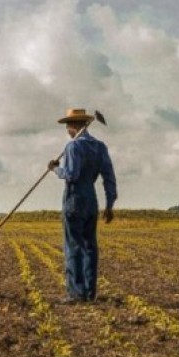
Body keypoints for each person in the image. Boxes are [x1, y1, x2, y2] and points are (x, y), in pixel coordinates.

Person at [48, 108, 117, 303]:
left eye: (68, 125)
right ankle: (89, 293)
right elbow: (109, 177)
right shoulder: (100, 146)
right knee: (89, 247)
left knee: (73, 246)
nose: (67, 129)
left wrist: (55, 169)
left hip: (74, 198)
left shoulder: (73, 146)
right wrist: (110, 204)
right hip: (91, 200)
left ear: (74, 126)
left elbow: (71, 174)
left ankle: (76, 293)